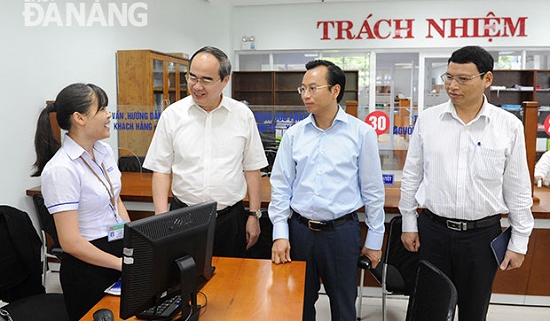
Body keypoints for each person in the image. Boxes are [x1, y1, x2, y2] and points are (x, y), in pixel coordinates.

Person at [399, 46, 534, 321]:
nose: (452, 85)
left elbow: (518, 189)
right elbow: (412, 175)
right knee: (428, 310)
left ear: (486, 79)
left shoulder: (508, 126)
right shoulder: (428, 120)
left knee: (474, 312)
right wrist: (409, 223)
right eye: (448, 77)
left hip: (481, 238)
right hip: (432, 231)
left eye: (463, 78)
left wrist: (519, 242)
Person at [269, 59, 385, 321]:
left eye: (313, 88)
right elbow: (280, 187)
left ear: (335, 91)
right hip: (299, 232)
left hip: (341, 233)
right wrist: (280, 233)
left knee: (343, 306)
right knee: (297, 304)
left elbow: (373, 191)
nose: (306, 95)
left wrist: (375, 241)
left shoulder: (361, 133)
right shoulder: (294, 135)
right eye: (302, 89)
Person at [143, 46, 268, 258]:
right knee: (183, 282)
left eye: (206, 80)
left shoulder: (242, 115)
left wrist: (254, 215)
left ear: (225, 81)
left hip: (230, 219)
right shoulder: (172, 115)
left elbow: (252, 168)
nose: (197, 86)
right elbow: (161, 170)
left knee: (231, 283)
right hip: (183, 217)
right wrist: (161, 219)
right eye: (192, 77)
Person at [32, 83, 131, 321]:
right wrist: (119, 264)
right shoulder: (61, 168)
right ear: (79, 118)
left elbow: (114, 198)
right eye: (102, 109)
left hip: (117, 249)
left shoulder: (105, 150)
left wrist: (132, 238)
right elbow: (70, 242)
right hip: (89, 265)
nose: (109, 115)